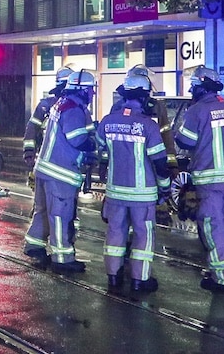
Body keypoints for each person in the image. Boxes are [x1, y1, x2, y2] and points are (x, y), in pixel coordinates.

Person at [95, 74, 171, 292]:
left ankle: (113, 277)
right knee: (142, 235)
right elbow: (159, 162)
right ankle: (140, 280)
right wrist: (165, 188)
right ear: (144, 97)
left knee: (115, 234)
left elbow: (101, 150)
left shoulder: (108, 122)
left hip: (116, 193)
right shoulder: (148, 125)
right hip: (143, 194)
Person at [23, 70, 98, 274]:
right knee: (60, 215)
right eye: (90, 90)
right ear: (82, 90)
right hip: (61, 172)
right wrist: (93, 146)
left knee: (42, 212)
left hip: (45, 168)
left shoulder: (59, 104)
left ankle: (34, 246)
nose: (92, 93)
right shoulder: (74, 109)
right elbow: (79, 139)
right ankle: (62, 259)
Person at [174, 65, 224, 293]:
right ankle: (217, 270)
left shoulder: (197, 110)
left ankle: (223, 278)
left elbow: (185, 142)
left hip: (208, 179)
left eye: (193, 86)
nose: (192, 90)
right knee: (218, 223)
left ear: (200, 87)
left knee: (213, 228)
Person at [109, 64, 177, 168]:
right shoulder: (118, 108)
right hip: (131, 165)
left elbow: (166, 136)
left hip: (147, 164)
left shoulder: (157, 107)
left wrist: (171, 164)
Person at [23, 66, 75, 185]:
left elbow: (31, 129)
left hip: (52, 162)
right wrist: (29, 151)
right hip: (53, 160)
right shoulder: (46, 106)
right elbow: (32, 129)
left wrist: (29, 152)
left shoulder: (48, 105)